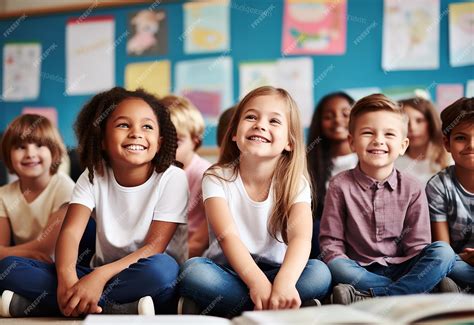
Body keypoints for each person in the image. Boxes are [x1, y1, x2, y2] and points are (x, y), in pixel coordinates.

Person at [0, 87, 189, 317]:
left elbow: (153, 248)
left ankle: (61, 303)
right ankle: (116, 307)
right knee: (8, 268)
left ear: (159, 142)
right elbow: (70, 233)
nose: (136, 133)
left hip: (148, 274)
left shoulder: (173, 178)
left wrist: (98, 278)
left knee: (162, 269)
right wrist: (66, 279)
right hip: (95, 273)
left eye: (147, 126)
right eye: (123, 125)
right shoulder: (93, 174)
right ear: (102, 140)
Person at [178, 86, 331, 317]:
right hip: (229, 271)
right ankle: (278, 307)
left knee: (320, 272)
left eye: (274, 121)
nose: (260, 125)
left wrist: (285, 283)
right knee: (193, 271)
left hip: (279, 273)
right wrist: (256, 284)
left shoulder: (296, 183)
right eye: (251, 117)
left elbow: (301, 239)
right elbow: (227, 236)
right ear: (234, 133)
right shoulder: (216, 177)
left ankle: (248, 304)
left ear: (289, 142)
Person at [320, 94, 456, 305]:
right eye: (367, 133)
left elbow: (418, 246)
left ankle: (375, 296)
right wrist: (339, 260)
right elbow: (331, 243)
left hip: (406, 265)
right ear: (352, 142)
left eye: (389, 134)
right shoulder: (339, 185)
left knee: (444, 252)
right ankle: (421, 290)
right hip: (359, 269)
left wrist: (417, 270)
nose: (378, 140)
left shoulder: (413, 187)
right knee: (335, 265)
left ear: (403, 145)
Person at [0, 114, 74, 263]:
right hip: (23, 263)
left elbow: (45, 249)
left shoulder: (64, 187)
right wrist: (23, 254)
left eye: (39, 145)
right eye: (21, 147)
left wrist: (6, 253)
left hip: (59, 266)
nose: (30, 154)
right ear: (9, 155)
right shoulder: (3, 195)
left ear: (53, 151)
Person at [426, 97, 474, 292]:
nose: (471, 145)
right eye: (461, 137)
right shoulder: (438, 185)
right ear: (447, 143)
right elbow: (442, 248)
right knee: (438, 261)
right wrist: (463, 258)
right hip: (456, 262)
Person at [307, 92, 357, 258]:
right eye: (329, 116)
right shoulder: (307, 164)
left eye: (345, 114)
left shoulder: (372, 158)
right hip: (325, 238)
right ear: (319, 123)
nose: (337, 120)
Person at [161, 95, 211, 259]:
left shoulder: (206, 175)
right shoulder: (156, 172)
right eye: (161, 141)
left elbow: (199, 242)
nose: (167, 148)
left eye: (176, 142)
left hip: (188, 255)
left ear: (195, 141)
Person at [395, 97, 450, 184]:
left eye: (419, 121)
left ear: (431, 123)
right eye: (406, 122)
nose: (412, 128)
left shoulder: (450, 160)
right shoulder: (393, 163)